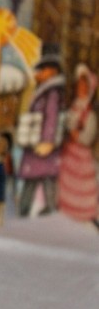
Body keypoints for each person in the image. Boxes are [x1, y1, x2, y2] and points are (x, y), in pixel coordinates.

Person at [17, 54, 66, 216]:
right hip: (36, 144)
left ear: (53, 71)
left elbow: (52, 116)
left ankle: (46, 210)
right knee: (38, 178)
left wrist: (47, 140)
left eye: (43, 70)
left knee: (44, 179)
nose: (40, 73)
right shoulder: (43, 91)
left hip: (43, 145)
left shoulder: (52, 93)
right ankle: (26, 210)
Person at [58, 64, 98, 225]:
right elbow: (66, 124)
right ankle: (66, 211)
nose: (80, 88)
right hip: (69, 154)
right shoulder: (73, 107)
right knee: (66, 184)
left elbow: (89, 134)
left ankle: (83, 214)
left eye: (84, 86)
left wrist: (79, 136)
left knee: (81, 186)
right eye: (79, 85)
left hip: (81, 157)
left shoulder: (89, 112)